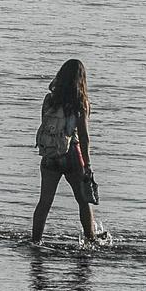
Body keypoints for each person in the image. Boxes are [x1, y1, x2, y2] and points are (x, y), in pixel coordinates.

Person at [31, 58, 98, 246]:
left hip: (50, 154)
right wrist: (87, 165)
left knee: (44, 202)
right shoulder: (80, 102)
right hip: (72, 155)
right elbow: (83, 136)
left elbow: (47, 125)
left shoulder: (49, 99)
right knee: (83, 200)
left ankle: (35, 241)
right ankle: (90, 239)